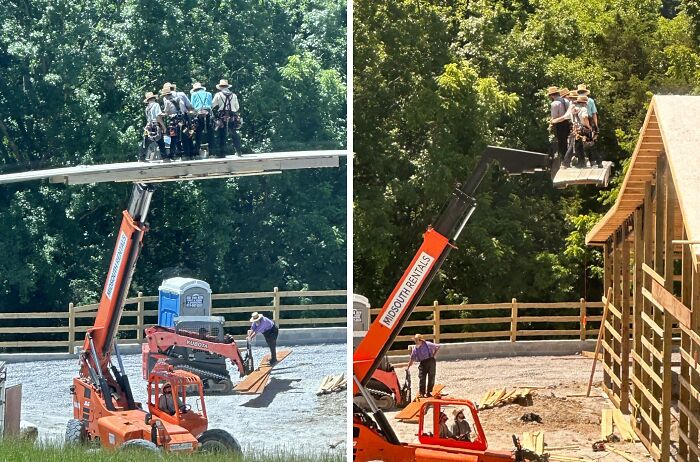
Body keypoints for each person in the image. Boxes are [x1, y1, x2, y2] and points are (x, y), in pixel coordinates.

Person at [212, 79, 242, 156]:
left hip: (222, 116)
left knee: (222, 134)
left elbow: (212, 105)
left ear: (220, 87)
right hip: (232, 116)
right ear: (227, 86)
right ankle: (238, 151)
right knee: (234, 134)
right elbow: (237, 107)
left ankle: (222, 153)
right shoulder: (234, 95)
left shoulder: (218, 95)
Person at [161, 84, 191, 160]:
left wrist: (162, 114)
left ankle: (173, 154)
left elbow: (166, 112)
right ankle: (187, 153)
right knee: (185, 135)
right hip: (183, 118)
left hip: (174, 120)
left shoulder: (167, 101)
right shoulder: (179, 96)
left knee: (173, 137)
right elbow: (188, 106)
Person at [139, 91, 167, 161]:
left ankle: (142, 157)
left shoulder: (147, 108)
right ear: (154, 98)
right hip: (156, 124)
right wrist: (163, 126)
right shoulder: (156, 105)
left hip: (149, 125)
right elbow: (158, 117)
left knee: (146, 141)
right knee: (161, 142)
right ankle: (165, 157)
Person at [190, 82, 214, 157]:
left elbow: (192, 106)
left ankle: (196, 153)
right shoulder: (209, 94)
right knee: (210, 134)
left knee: (198, 134)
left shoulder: (193, 95)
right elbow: (210, 105)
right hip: (208, 114)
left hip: (199, 114)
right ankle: (212, 153)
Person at [547, 86, 570, 160]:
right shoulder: (565, 101)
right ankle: (568, 158)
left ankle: (563, 159)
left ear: (551, 95)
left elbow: (554, 117)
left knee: (561, 142)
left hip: (559, 124)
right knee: (566, 141)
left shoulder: (554, 103)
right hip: (567, 122)